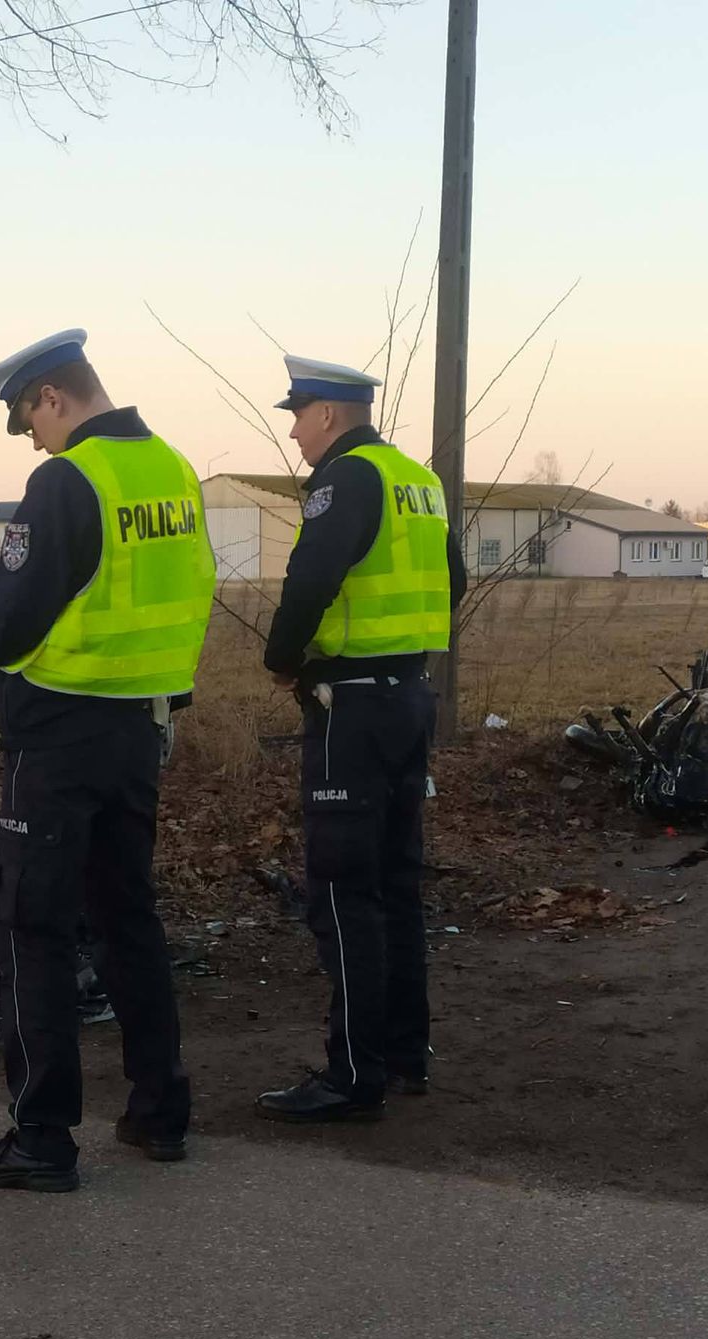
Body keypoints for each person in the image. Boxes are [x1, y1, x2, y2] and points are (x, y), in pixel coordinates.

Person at [0, 329, 216, 1191]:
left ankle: (41, 1137)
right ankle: (160, 1112)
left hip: (58, 739)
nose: (32, 439)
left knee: (30, 929)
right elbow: (170, 591)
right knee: (127, 921)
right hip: (137, 730)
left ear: (51, 398)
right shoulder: (173, 469)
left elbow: (20, 621)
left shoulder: (66, 479)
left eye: (27, 420)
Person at [256, 353, 467, 1123]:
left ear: (329, 416)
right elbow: (455, 582)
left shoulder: (346, 479)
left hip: (351, 707)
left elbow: (310, 579)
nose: (295, 435)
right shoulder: (420, 479)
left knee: (343, 893)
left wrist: (283, 661)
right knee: (397, 884)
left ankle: (352, 1074)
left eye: (298, 416)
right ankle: (405, 1052)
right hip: (411, 698)